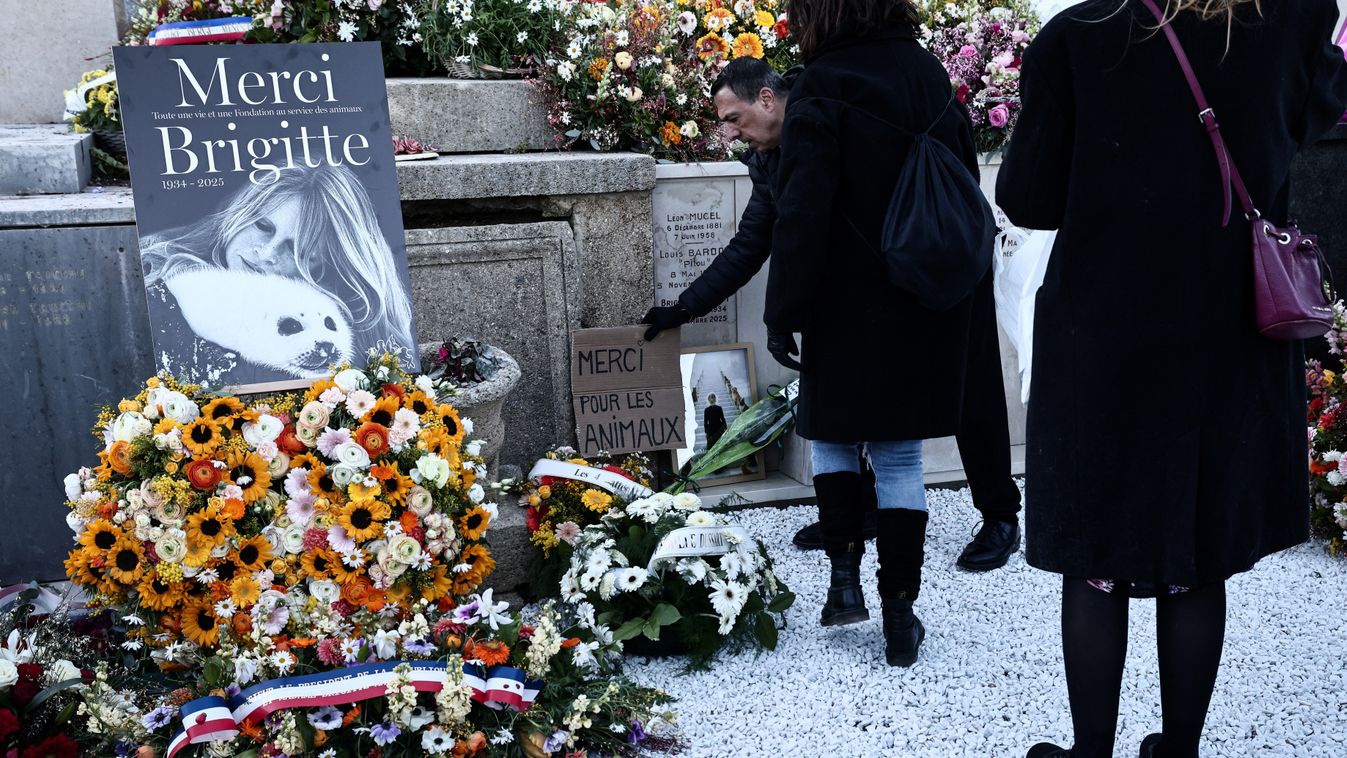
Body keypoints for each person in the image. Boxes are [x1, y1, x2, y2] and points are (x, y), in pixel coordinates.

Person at [996, 0, 1347, 755]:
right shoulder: (1291, 23)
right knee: (1198, 548)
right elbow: (1314, 121)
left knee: (1096, 555)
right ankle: (1179, 749)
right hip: (1228, 329)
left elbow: (1026, 199)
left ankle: (1092, 750)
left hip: (1104, 333)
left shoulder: (1077, 36)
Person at [642, 57, 1021, 575]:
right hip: (869, 285)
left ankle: (1000, 516)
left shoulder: (836, 103)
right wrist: (683, 309)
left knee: (972, 387)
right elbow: (752, 242)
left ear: (767, 99)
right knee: (856, 392)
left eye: (733, 118)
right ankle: (859, 508)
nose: (730, 133)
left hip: (937, 258)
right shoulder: (771, 157)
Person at [761, 0, 1005, 668]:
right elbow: (960, 180)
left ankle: (843, 582)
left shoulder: (821, 83)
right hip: (924, 294)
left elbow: (802, 210)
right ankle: (899, 613)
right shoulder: (927, 72)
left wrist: (783, 309)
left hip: (845, 298)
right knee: (900, 459)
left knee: (833, 439)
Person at [140, 163, 416, 382]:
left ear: (323, 267)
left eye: (298, 250)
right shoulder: (159, 279)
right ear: (239, 213)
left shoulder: (333, 329)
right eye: (262, 226)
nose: (266, 253)